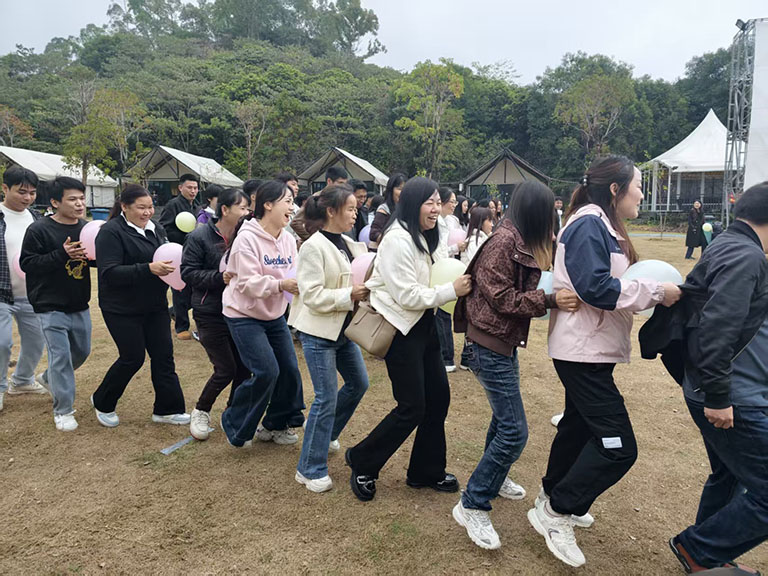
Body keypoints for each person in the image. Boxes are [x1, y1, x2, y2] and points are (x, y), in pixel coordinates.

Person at [528, 155, 681, 568]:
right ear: (615, 189)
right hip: (582, 351)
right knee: (619, 447)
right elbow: (596, 287)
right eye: (638, 186)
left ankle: (552, 494)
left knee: (577, 428)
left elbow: (608, 284)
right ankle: (557, 510)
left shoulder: (602, 225)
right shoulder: (588, 224)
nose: (642, 194)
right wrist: (656, 291)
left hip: (592, 348)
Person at [452, 181, 581, 550]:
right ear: (536, 212)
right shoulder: (503, 242)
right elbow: (503, 298)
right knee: (514, 431)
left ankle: (495, 477)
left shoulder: (517, 238)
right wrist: (550, 300)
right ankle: (473, 503)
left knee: (503, 419)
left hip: (501, 344)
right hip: (487, 345)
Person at [344, 177, 472, 502]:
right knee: (412, 406)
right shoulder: (397, 240)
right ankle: (362, 460)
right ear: (413, 204)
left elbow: (439, 271)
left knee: (438, 400)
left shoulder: (428, 235)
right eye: (429, 203)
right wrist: (450, 291)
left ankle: (425, 472)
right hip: (400, 328)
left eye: (438, 202)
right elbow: (407, 295)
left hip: (424, 325)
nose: (436, 209)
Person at [667, 182, 768, 575]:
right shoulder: (745, 255)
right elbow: (717, 329)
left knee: (728, 474)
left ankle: (705, 559)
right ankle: (699, 549)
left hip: (725, 388)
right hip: (731, 395)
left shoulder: (730, 244)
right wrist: (719, 397)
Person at [289, 184, 370, 493]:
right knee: (326, 397)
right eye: (350, 209)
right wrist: (349, 294)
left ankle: (324, 434)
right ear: (331, 211)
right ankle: (309, 469)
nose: (355, 214)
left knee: (358, 383)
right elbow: (311, 295)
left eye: (356, 209)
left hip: (343, 330)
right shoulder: (313, 246)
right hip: (319, 332)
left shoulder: (349, 243)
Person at [91, 185, 189, 427]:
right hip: (121, 307)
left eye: (150, 207)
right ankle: (103, 401)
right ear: (124, 207)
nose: (147, 212)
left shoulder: (156, 229)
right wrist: (148, 269)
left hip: (155, 304)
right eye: (141, 207)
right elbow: (109, 272)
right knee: (132, 357)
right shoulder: (110, 232)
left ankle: (167, 409)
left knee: (163, 356)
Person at [220, 180, 304, 447]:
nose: (292, 208)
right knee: (267, 371)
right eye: (287, 201)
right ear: (267, 204)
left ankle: (275, 424)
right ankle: (234, 421)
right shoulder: (246, 238)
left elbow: (294, 273)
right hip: (243, 314)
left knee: (289, 370)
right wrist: (280, 285)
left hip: (274, 315)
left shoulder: (288, 239)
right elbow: (247, 283)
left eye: (293, 202)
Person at [20, 177, 91, 431]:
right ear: (54, 202)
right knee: (60, 356)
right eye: (72, 199)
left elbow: (93, 258)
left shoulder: (86, 228)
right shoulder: (39, 230)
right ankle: (63, 410)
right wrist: (62, 254)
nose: (79, 204)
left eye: (81, 198)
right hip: (49, 304)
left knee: (82, 351)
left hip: (79, 302)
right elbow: (27, 264)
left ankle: (49, 377)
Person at [181, 188, 251, 441]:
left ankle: (234, 412)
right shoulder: (199, 236)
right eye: (242, 208)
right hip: (210, 311)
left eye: (248, 208)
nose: (247, 213)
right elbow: (187, 272)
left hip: (241, 311)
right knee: (225, 368)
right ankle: (201, 410)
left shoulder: (246, 236)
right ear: (225, 209)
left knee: (244, 367)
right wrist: (219, 277)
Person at [0, 166, 46, 413]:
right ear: (5, 188)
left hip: (32, 294)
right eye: (21, 192)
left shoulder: (38, 219)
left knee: (36, 341)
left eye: (32, 192)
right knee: (2, 343)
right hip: (1, 293)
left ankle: (22, 380)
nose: (27, 197)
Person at [159, 173, 200, 341]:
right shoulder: (173, 205)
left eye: (195, 188)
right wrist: (183, 234)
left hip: (194, 253)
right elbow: (163, 228)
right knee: (180, 290)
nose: (193, 191)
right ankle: (181, 327)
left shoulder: (197, 206)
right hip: (178, 252)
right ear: (180, 187)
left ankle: (173, 312)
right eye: (189, 187)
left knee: (194, 290)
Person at [435, 186, 466, 373]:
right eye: (452, 201)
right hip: (440, 271)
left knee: (443, 315)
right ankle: (445, 357)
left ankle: (446, 357)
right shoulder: (438, 222)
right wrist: (455, 248)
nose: (454, 205)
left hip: (444, 270)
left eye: (455, 202)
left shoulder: (446, 222)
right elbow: (439, 251)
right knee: (442, 316)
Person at [368, 173, 406, 251]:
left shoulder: (406, 209)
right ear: (391, 190)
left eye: (405, 189)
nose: (403, 192)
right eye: (399, 189)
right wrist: (392, 241)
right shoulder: (384, 209)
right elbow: (373, 234)